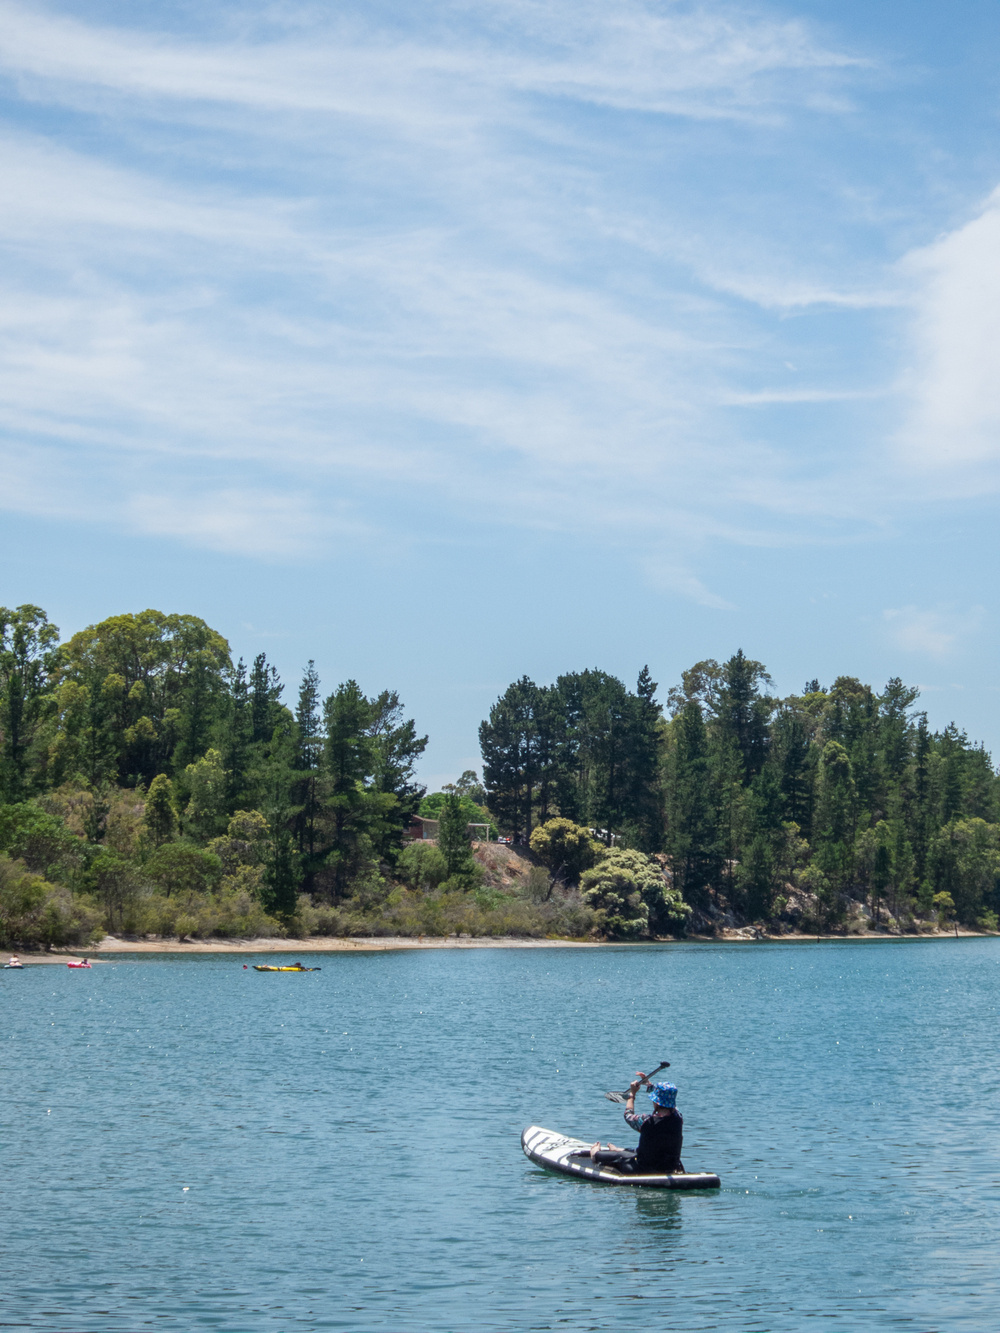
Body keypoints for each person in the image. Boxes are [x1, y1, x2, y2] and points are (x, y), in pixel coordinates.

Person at [589, 1072, 685, 1174]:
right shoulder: (678, 1117)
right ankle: (617, 1149)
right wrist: (649, 1085)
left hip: (642, 1169)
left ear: (656, 1102)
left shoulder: (647, 1121)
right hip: (670, 1167)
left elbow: (628, 1115)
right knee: (635, 1151)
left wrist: (632, 1095)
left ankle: (595, 1154)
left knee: (619, 1157)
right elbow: (669, 1104)